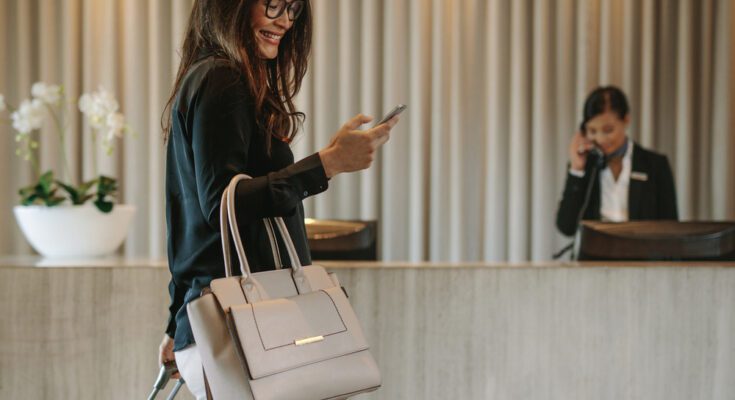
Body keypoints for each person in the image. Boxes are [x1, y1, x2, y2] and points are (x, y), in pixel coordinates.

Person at [157, 0, 400, 397]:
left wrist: (175, 323)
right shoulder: (223, 79)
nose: (285, 20)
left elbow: (187, 223)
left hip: (229, 324)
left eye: (292, 8)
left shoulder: (209, 77)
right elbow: (223, 206)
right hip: (238, 329)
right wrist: (326, 164)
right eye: (273, 5)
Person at [556, 86, 678, 236]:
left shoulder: (655, 165)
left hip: (642, 256)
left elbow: (671, 229)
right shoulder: (585, 166)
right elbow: (566, 228)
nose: (600, 139)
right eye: (593, 131)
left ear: (626, 120)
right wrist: (577, 169)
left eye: (608, 130)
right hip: (594, 256)